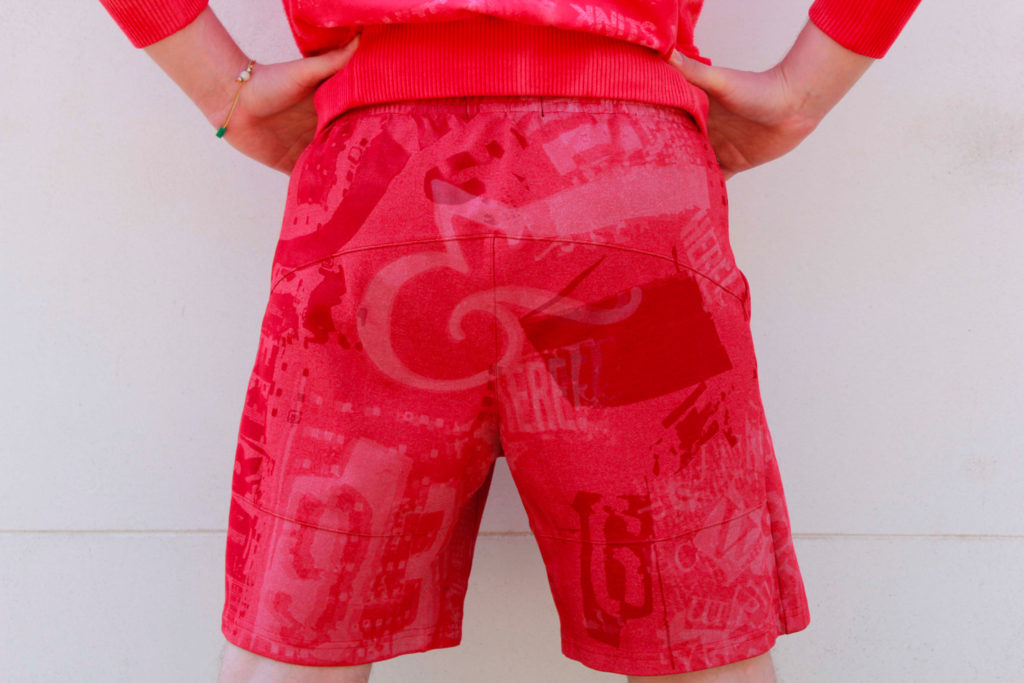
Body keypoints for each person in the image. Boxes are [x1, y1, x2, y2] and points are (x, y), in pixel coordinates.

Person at [98, 1, 922, 682]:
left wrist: (225, 89)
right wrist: (800, 93)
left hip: (378, 179)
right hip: (620, 183)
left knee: (296, 642)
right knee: (695, 643)